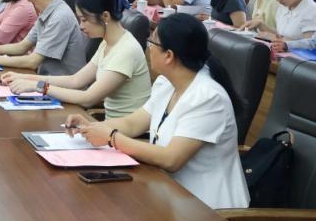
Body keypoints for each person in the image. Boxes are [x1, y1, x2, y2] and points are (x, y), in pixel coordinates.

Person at [64, 14, 249, 210]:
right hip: (165, 191)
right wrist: (91, 126)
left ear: (169, 55)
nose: (148, 48)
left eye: (152, 43)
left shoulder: (208, 97)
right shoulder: (167, 83)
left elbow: (171, 159)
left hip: (206, 208)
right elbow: (133, 124)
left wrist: (111, 138)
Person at [3, 0, 150, 120]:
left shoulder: (126, 50)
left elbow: (88, 99)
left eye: (84, 20)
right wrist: (26, 78)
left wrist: (40, 87)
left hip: (126, 133)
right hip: (109, 128)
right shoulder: (108, 43)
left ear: (105, 16)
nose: (81, 26)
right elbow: (75, 80)